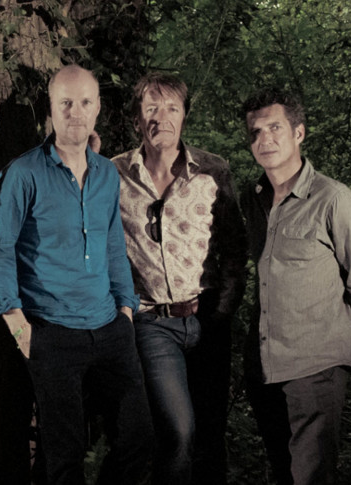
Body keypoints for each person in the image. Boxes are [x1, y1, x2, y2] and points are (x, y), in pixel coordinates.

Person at [0, 64, 152, 485]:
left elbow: (113, 245)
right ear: (51, 109)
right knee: (64, 457)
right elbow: (1, 249)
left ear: (97, 109)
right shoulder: (23, 173)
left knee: (137, 440)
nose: (75, 112)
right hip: (51, 332)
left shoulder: (106, 173)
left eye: (84, 102)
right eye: (65, 103)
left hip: (110, 329)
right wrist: (19, 327)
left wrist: (126, 310)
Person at [240, 88, 351, 485]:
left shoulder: (333, 199)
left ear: (299, 133)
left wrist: (337, 343)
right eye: (255, 132)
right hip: (265, 365)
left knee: (311, 476)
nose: (264, 139)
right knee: (282, 472)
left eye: (274, 128)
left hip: (315, 367)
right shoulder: (252, 200)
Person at [110, 73, 247, 485]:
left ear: (185, 115)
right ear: (137, 118)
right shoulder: (113, 174)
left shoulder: (213, 171)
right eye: (151, 108)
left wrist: (222, 311)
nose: (161, 117)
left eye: (172, 107)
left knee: (209, 433)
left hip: (207, 318)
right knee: (177, 431)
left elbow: (235, 247)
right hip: (152, 323)